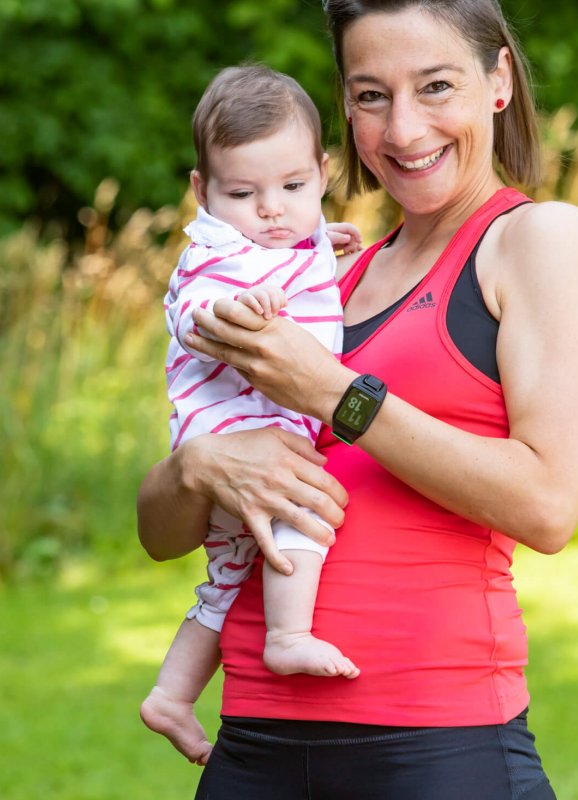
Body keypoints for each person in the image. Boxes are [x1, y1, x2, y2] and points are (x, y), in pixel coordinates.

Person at [137, 1, 578, 797]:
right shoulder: (322, 279)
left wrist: (332, 392)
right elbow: (161, 536)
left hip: (432, 742)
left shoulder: (538, 241)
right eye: (370, 96)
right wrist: (198, 466)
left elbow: (548, 505)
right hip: (252, 742)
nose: (402, 130)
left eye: (435, 86)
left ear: (498, 78)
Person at [140, 64, 363, 767]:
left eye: (293, 188)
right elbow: (194, 308)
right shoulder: (216, 257)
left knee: (228, 577)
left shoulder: (292, 243)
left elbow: (291, 259)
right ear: (203, 192)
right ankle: (287, 636)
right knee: (304, 516)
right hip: (235, 437)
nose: (272, 209)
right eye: (244, 193)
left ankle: (171, 696)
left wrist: (321, 246)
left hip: (255, 432)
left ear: (323, 174)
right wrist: (231, 315)